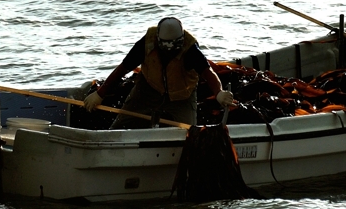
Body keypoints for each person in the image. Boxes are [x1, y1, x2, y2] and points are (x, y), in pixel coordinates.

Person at [83, 16, 233, 128]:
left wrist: (219, 93)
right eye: (166, 46)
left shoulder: (190, 50)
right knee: (121, 125)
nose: (170, 51)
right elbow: (123, 69)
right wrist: (100, 94)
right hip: (147, 89)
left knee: (188, 133)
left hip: (182, 96)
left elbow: (208, 73)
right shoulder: (146, 43)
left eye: (174, 46)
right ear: (158, 40)